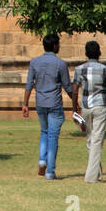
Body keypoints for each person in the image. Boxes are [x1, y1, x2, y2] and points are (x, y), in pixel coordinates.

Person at [21, 33, 79, 179]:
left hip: (40, 102)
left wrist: (25, 104)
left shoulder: (34, 62)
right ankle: (50, 171)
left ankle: (42, 160)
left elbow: (29, 84)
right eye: (58, 44)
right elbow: (68, 87)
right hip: (54, 103)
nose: (59, 46)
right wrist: (75, 104)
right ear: (54, 46)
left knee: (44, 132)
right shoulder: (60, 64)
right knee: (53, 136)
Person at [73, 41, 106, 182]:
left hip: (85, 107)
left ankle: (96, 174)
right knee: (96, 140)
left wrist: (75, 109)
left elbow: (74, 90)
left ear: (86, 54)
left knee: (91, 140)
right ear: (99, 53)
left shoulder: (79, 69)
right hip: (100, 106)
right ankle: (91, 177)